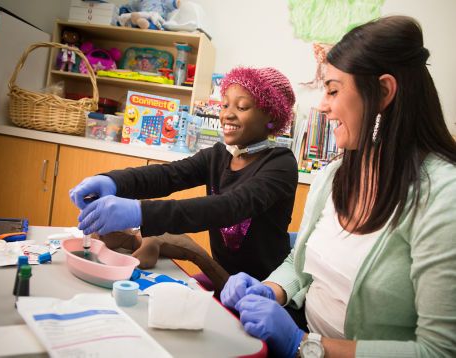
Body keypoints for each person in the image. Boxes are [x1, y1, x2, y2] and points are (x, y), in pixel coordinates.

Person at [220, 16, 456, 358]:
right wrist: (270, 290)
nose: (322, 105)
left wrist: (305, 346)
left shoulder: (442, 196)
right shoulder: (336, 175)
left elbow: (439, 351)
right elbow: (300, 264)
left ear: (384, 92)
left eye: (332, 90)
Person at [69, 66, 299, 293]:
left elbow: (228, 207)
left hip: (265, 290)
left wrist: (139, 212)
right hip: (222, 278)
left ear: (271, 116)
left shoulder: (280, 164)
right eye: (225, 105)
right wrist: (112, 181)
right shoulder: (218, 156)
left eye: (241, 107)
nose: (227, 114)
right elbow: (167, 176)